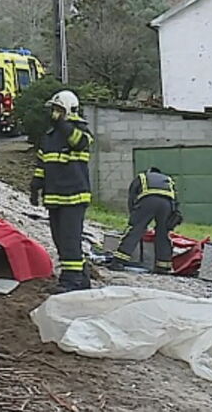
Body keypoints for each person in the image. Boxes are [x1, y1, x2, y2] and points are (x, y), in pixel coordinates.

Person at [29, 90, 94, 293]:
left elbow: (80, 143)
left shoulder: (79, 130)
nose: (53, 114)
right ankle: (81, 278)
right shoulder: (50, 136)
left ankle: (71, 281)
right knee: (60, 240)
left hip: (74, 197)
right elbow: (43, 162)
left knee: (69, 240)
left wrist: (64, 123)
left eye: (57, 109)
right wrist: (35, 184)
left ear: (66, 109)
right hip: (54, 197)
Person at [109, 167, 181, 274]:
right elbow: (175, 201)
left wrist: (134, 216)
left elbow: (132, 197)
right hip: (166, 204)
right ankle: (163, 265)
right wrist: (172, 218)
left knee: (137, 230)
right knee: (163, 233)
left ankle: (119, 261)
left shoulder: (141, 177)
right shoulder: (168, 179)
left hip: (148, 201)